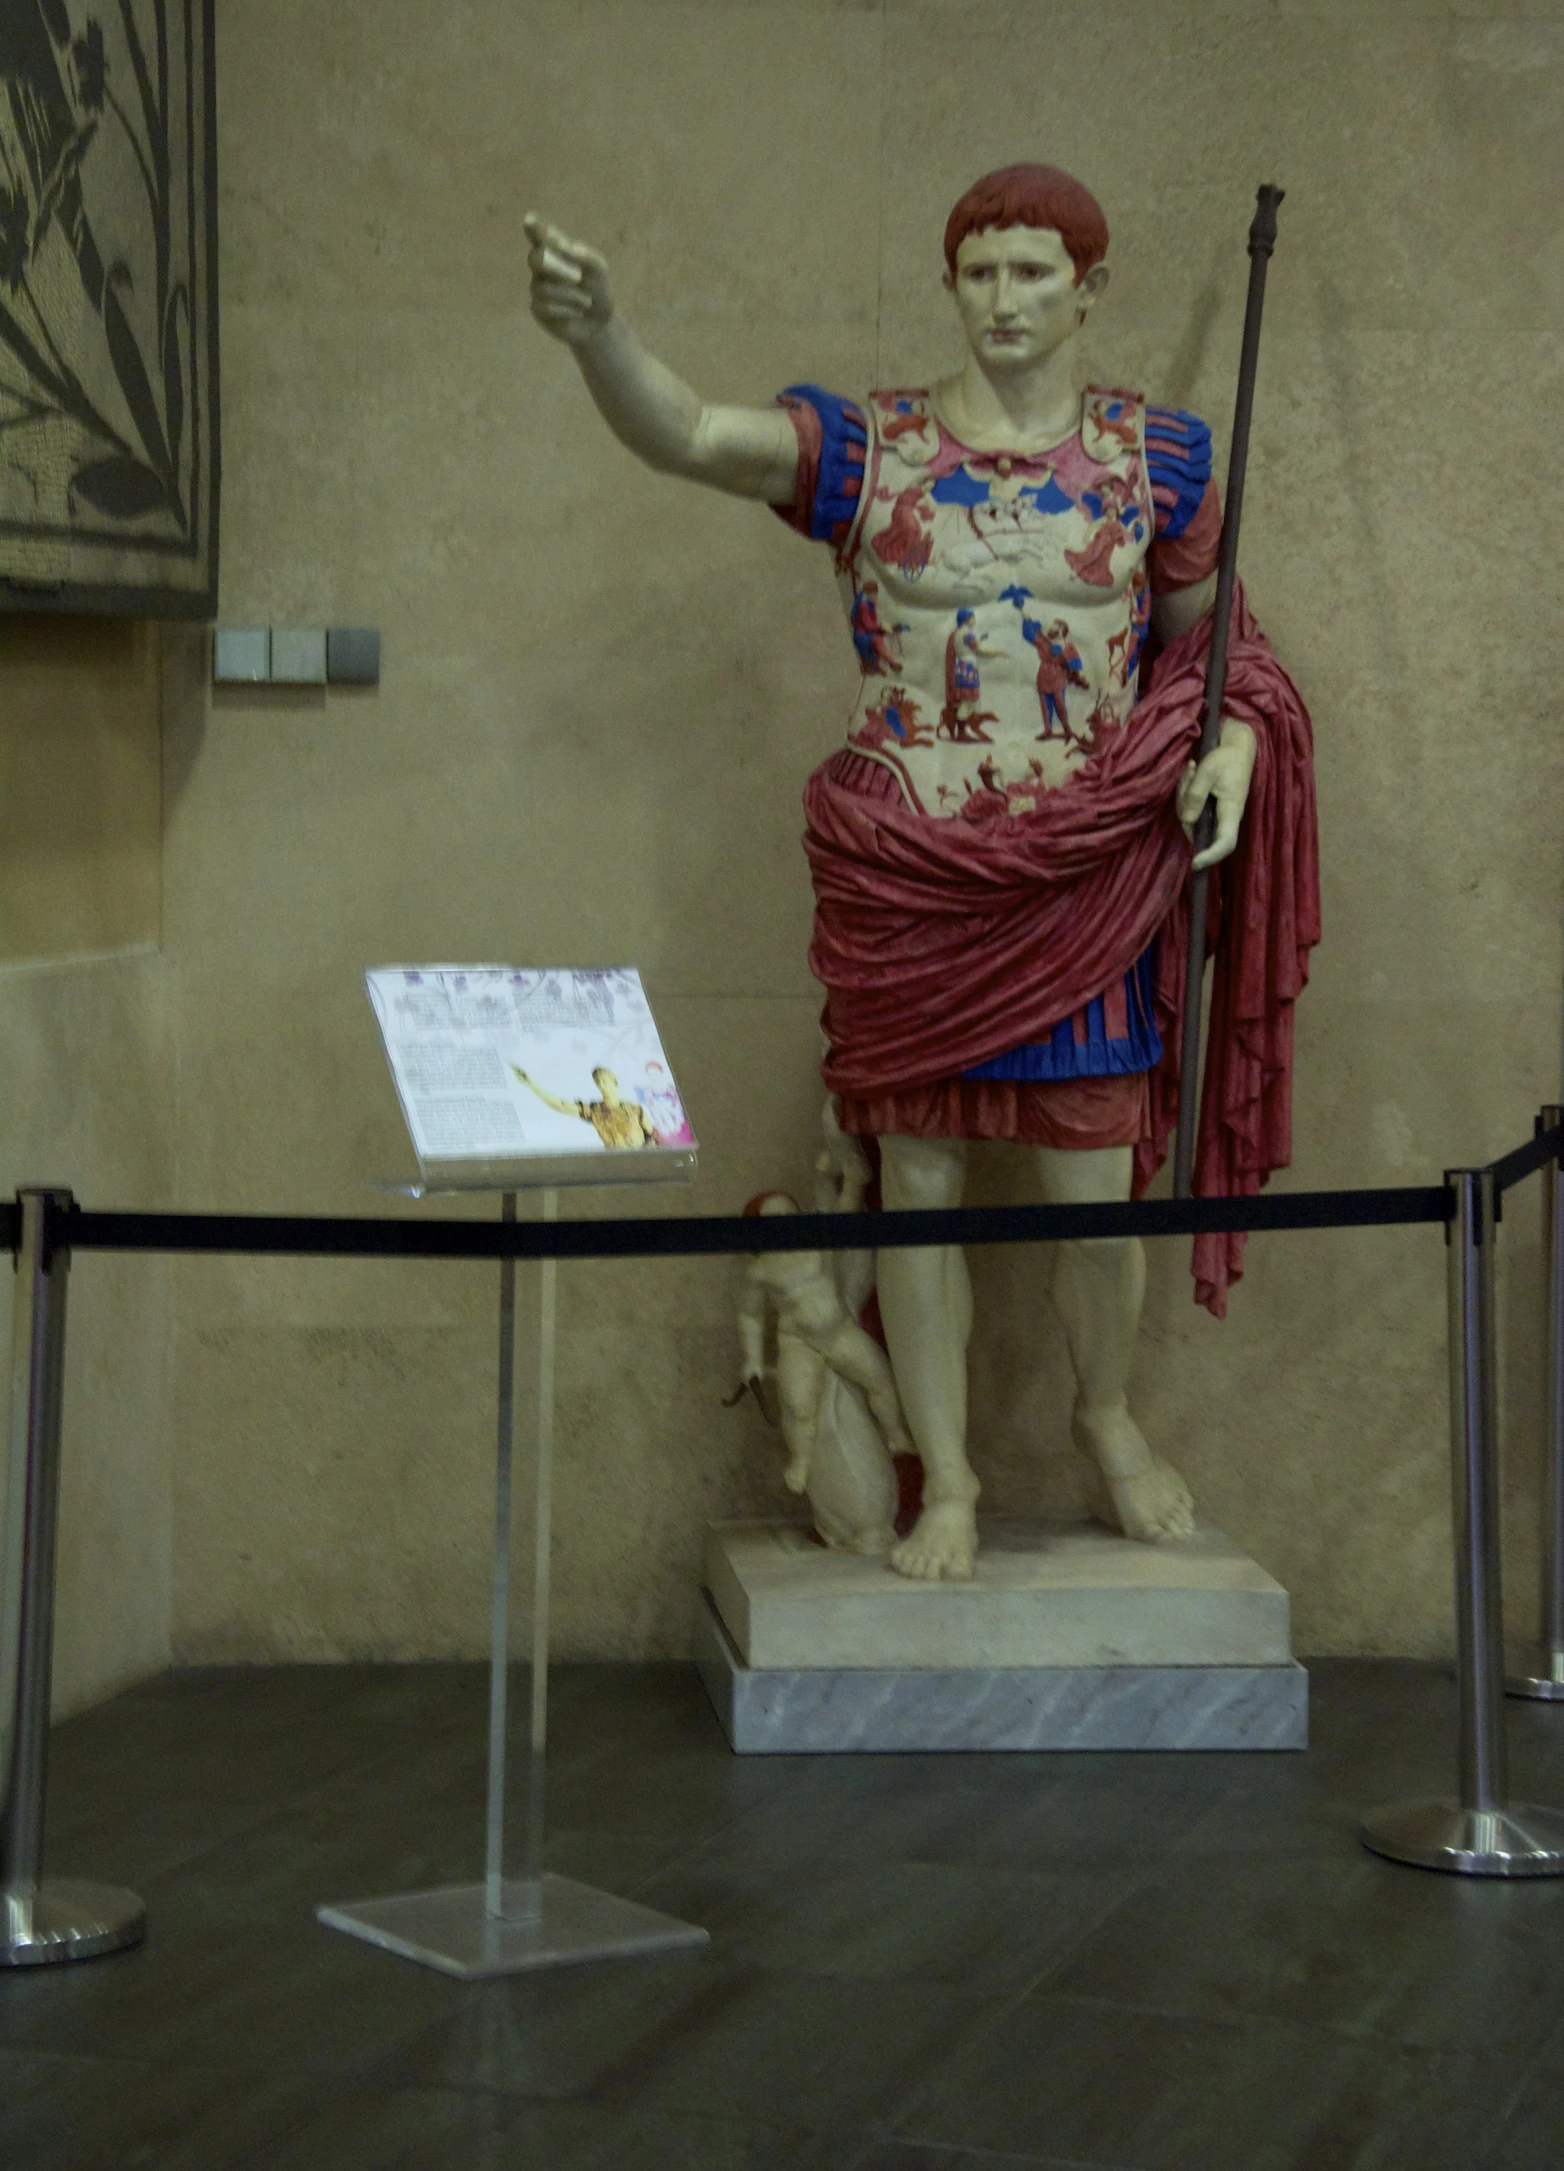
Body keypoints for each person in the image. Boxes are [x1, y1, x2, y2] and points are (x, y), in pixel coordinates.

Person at [524, 164, 1315, 1580]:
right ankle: (946, 1475)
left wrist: (1238, 752)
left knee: (1094, 1191)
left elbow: (1217, 651)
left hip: (1081, 872)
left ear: (1088, 286)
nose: (1003, 298)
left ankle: (1106, 1416)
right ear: (950, 283)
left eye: (1031, 271)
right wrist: (600, 336)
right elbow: (694, 435)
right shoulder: (871, 449)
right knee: (920, 1191)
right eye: (979, 271)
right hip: (911, 879)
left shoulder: (1157, 458)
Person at [512, 1063, 657, 1151]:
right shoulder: (594, 1111)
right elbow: (560, 1105)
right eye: (598, 1081)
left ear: (614, 1082)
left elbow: (650, 1136)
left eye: (605, 1080)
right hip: (616, 1165)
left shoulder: (635, 1110)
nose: (602, 1084)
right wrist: (533, 1086)